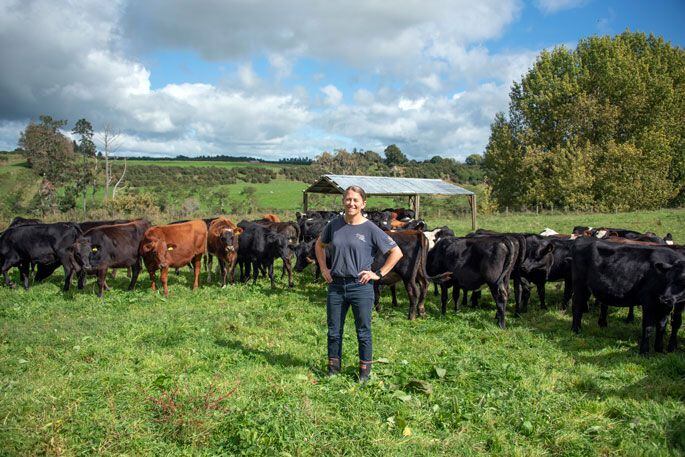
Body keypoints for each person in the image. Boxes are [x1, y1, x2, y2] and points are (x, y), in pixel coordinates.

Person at [315, 185, 403, 382]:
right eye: (348, 199)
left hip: (360, 287)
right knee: (334, 330)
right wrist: (323, 268)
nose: (351, 203)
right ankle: (333, 369)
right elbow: (319, 245)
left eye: (355, 200)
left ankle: (364, 372)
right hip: (336, 285)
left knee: (363, 331)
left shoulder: (371, 229)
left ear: (363, 203)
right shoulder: (334, 225)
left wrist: (378, 274)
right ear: (343, 201)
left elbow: (396, 252)